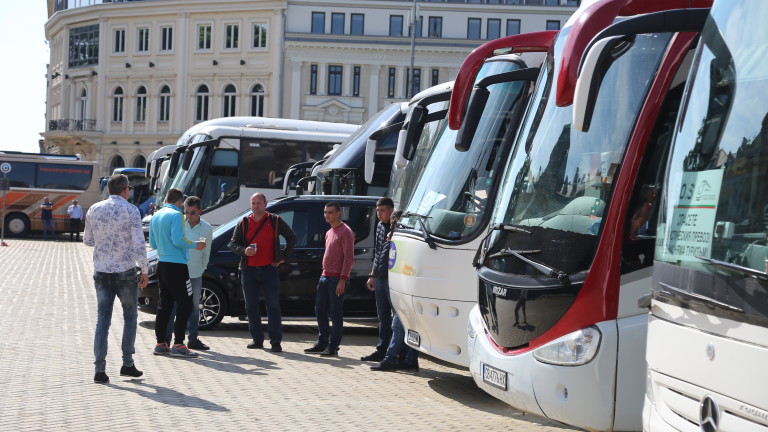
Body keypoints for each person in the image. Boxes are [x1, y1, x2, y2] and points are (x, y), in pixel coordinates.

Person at [83, 174, 149, 384]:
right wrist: (145, 270)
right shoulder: (131, 210)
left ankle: (99, 369)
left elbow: (88, 240)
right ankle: (127, 364)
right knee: (130, 316)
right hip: (125, 271)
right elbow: (139, 244)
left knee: (103, 320)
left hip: (102, 271)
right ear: (125, 189)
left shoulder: (94, 209)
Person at [229, 193, 296, 352]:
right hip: (249, 271)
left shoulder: (275, 221)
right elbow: (232, 244)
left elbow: (291, 238)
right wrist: (244, 250)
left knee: (273, 306)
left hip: (269, 270)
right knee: (251, 307)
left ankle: (275, 342)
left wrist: (282, 258)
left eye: (259, 203)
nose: (256, 206)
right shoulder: (244, 222)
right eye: (253, 203)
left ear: (265, 204)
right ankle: (257, 340)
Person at [149, 187, 205, 358]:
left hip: (162, 264)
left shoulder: (156, 215)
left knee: (164, 304)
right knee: (186, 303)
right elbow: (177, 239)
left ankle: (160, 343)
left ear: (166, 198)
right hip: (177, 266)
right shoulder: (176, 215)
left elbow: (153, 243)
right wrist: (195, 244)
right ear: (180, 202)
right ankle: (179, 344)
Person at [371, 210, 419, 372]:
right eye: (392, 224)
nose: (393, 227)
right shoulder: (392, 239)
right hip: (397, 285)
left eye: (396, 224)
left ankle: (391, 359)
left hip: (407, 289)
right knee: (404, 325)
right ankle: (409, 360)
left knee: (399, 325)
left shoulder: (409, 242)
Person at [304, 202, 355, 357]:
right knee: (319, 311)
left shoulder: (346, 232)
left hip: (336, 279)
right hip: (325, 277)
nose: (327, 215)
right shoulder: (329, 232)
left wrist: (342, 279)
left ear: (338, 213)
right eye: (325, 212)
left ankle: (333, 347)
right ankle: (322, 343)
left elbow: (349, 258)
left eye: (331, 212)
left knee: (335, 314)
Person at [165, 196, 213, 351]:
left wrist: (201, 269)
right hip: (178, 272)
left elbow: (207, 251)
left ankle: (193, 339)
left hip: (195, 274)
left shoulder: (207, 228)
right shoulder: (179, 224)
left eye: (192, 212)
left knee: (194, 306)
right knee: (173, 306)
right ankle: (166, 340)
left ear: (200, 211)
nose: (189, 216)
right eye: (186, 212)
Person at [360, 197, 395, 362]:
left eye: (382, 210)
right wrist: (372, 275)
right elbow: (378, 252)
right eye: (377, 210)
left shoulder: (398, 228)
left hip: (393, 279)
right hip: (380, 277)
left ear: (391, 211)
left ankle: (395, 353)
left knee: (396, 318)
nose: (379, 214)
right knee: (382, 316)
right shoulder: (380, 226)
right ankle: (381, 350)